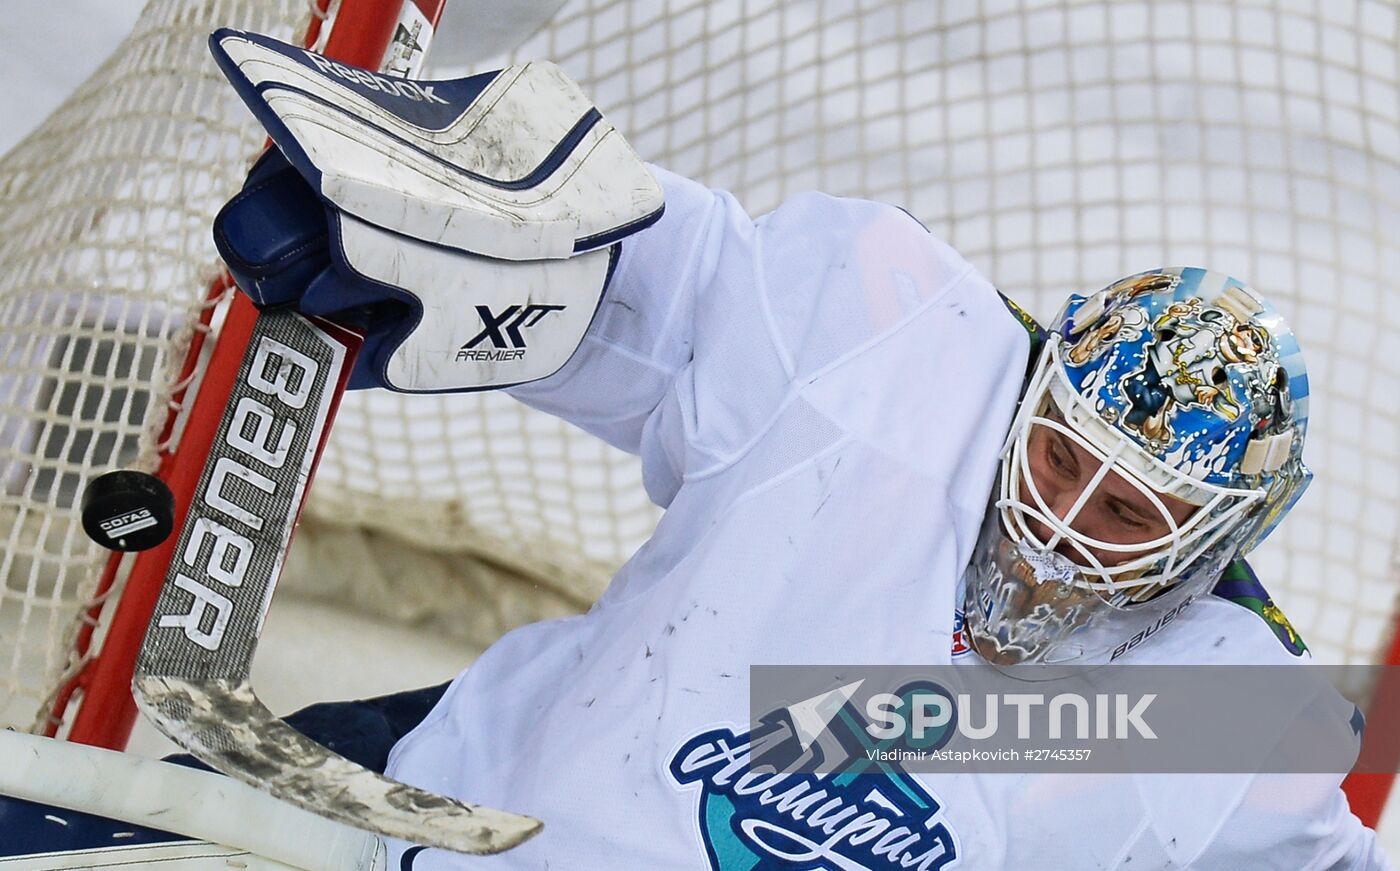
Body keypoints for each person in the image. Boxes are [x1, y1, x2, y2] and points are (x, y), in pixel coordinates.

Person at [4, 37, 1389, 870]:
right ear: (1038, 392)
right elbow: (675, 297)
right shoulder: (900, 355)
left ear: (1215, 545)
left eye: (1136, 515)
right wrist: (473, 247)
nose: (1069, 528)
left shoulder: (1219, 722)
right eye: (1065, 462)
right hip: (442, 791)